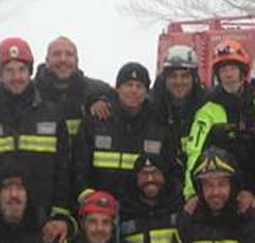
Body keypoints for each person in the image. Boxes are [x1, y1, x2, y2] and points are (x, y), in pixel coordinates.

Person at [0, 37, 73, 240]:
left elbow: (63, 168)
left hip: (42, 221)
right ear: (0, 74)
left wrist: (60, 214)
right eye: (9, 71)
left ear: (30, 72)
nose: (16, 77)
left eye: (22, 70)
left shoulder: (52, 115)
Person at [73, 62, 180, 204]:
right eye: (128, 85)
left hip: (141, 211)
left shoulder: (159, 127)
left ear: (147, 91)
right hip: (100, 209)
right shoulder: (96, 122)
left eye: (139, 86)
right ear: (118, 88)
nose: (133, 90)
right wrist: (86, 194)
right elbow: (79, 165)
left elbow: (170, 169)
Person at [184, 39, 255, 207]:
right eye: (223, 69)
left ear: (243, 72)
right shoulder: (207, 109)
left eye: (233, 68)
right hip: (220, 193)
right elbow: (194, 151)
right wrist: (191, 193)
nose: (228, 74)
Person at [33, 35, 115, 140]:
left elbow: (126, 99)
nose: (63, 59)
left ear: (76, 61)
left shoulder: (97, 90)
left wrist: (104, 100)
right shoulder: (31, 92)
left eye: (69, 54)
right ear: (47, 60)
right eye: (56, 54)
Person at [151, 44, 207, 159]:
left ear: (194, 78)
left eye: (185, 76)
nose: (178, 81)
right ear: (164, 78)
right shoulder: (151, 105)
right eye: (173, 76)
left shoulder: (205, 104)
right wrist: (103, 99)